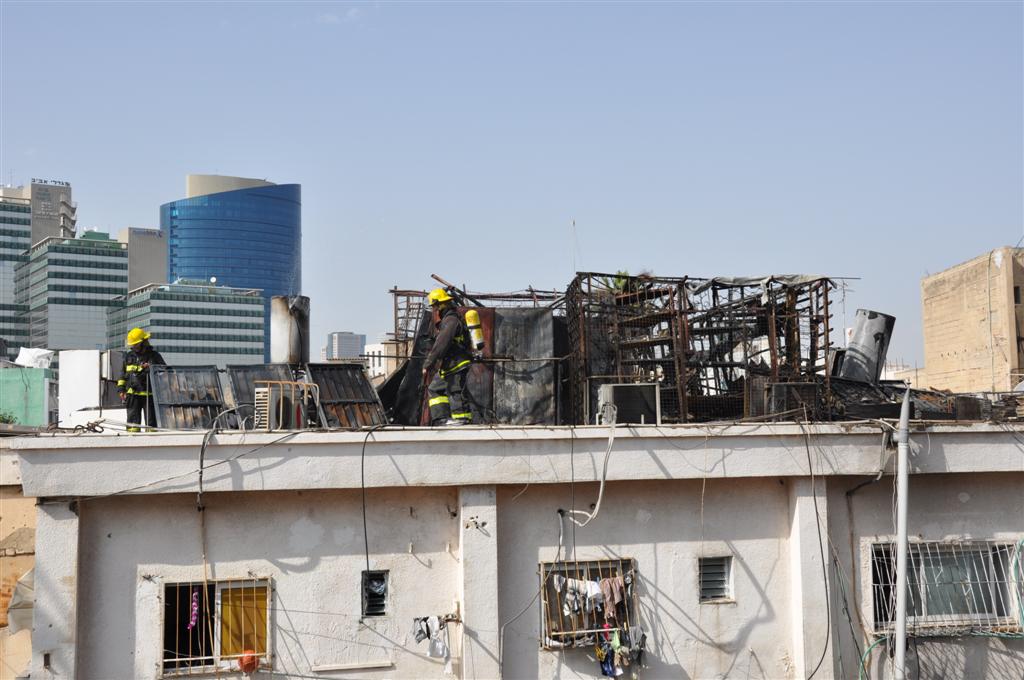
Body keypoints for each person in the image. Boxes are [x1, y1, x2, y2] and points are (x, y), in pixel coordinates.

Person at [422, 288, 474, 425]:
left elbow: (441, 344)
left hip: (457, 363)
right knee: (435, 388)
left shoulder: (451, 320)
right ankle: (441, 419)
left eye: (434, 306)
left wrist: (428, 364)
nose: (433, 309)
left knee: (455, 391)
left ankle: (462, 419)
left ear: (441, 305)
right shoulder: (447, 319)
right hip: (449, 365)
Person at [117, 328, 166, 432]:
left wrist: (151, 368)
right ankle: (132, 443)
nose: (133, 346)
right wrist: (121, 389)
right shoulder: (129, 356)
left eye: (136, 344)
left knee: (151, 425)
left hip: (149, 396)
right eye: (133, 345)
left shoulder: (154, 356)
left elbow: (164, 373)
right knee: (132, 426)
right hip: (132, 396)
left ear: (143, 342)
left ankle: (152, 444)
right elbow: (122, 375)